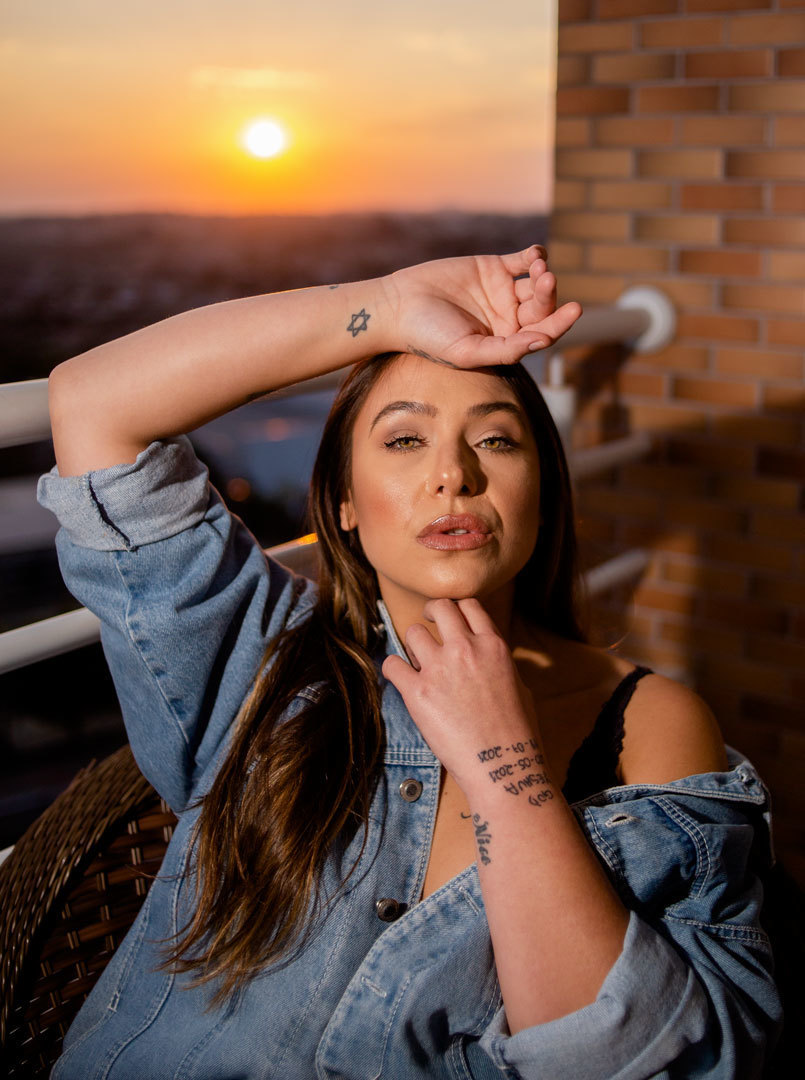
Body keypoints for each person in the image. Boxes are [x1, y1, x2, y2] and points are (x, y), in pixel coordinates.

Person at [38, 246, 780, 1079]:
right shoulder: (260, 648)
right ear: (344, 505)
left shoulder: (645, 723)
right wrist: (389, 306)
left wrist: (504, 766)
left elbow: (670, 1062)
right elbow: (94, 403)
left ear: (540, 492)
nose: (453, 475)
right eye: (403, 439)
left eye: (495, 439)